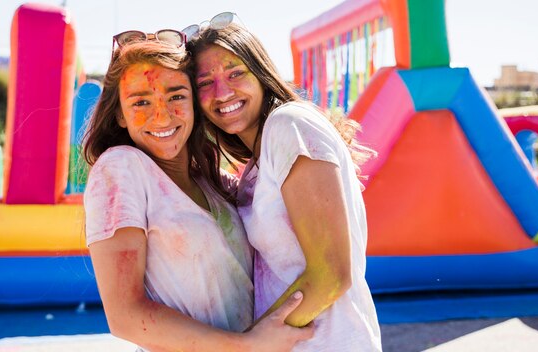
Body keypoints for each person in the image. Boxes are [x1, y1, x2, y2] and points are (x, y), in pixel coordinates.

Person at [82, 32, 313, 352]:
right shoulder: (121, 168)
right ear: (120, 113)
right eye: (141, 102)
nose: (161, 115)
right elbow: (125, 316)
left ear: (194, 102)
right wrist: (247, 346)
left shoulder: (213, 183)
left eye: (176, 96)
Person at [184, 15, 382, 351]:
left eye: (235, 73)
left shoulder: (288, 125)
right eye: (205, 83)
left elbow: (332, 274)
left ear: (260, 74)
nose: (222, 91)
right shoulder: (257, 162)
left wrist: (247, 345)